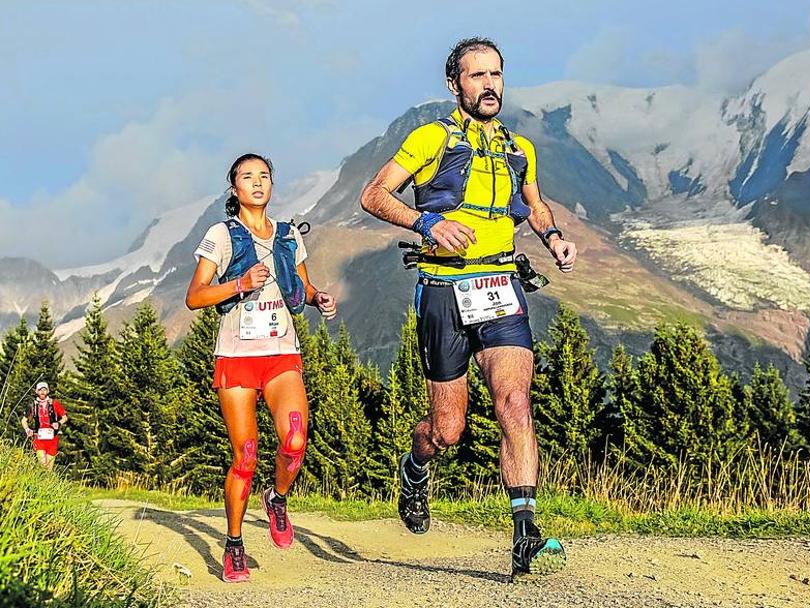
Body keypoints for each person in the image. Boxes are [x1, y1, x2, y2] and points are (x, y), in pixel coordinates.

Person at [360, 37, 578, 580]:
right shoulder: (432, 138)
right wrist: (428, 223)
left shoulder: (518, 147)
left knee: (514, 403)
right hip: (442, 291)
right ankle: (415, 469)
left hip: (501, 285)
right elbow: (375, 194)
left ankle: (525, 531)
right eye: (477, 76)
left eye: (496, 75)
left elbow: (534, 202)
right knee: (448, 429)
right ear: (454, 84)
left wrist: (553, 236)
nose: (489, 85)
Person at [185, 153, 337, 583]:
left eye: (264, 176)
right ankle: (234, 543)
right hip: (235, 357)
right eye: (247, 177)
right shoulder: (221, 234)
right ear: (234, 188)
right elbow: (195, 296)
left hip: (281, 353)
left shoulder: (289, 235)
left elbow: (301, 287)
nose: (257, 183)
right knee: (246, 454)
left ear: (272, 186)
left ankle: (278, 497)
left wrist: (318, 297)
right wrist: (238, 284)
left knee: (294, 439)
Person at [21, 381, 67, 470]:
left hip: (52, 438)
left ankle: (47, 483)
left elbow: (64, 417)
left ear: (48, 391)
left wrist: (58, 423)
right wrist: (27, 429)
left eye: (44, 390)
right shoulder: (32, 405)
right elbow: (24, 420)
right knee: (43, 465)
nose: (42, 392)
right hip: (38, 437)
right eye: (40, 390)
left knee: (49, 468)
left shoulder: (54, 403)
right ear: (36, 392)